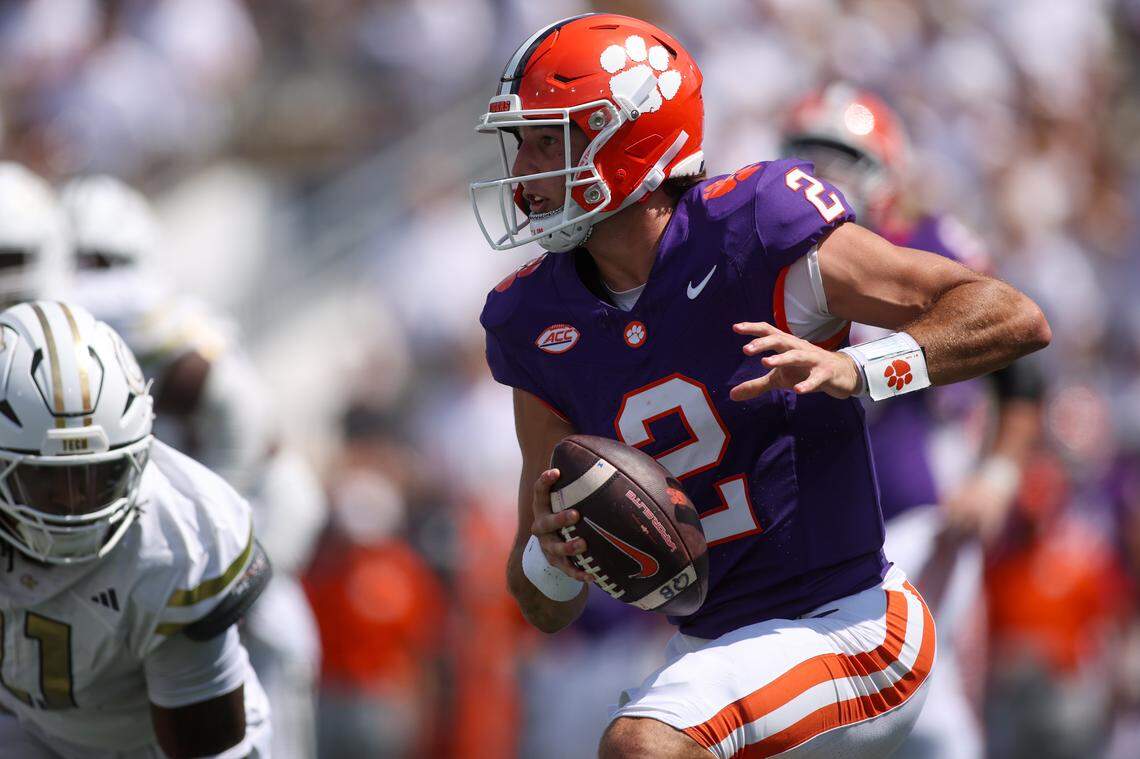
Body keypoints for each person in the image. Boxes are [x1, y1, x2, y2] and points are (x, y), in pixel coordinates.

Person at [470, 13, 1051, 759]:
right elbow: (543, 607)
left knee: (643, 745)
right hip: (711, 646)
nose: (525, 166)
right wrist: (553, 554)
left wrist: (861, 367)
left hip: (853, 623)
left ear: (627, 138)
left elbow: (1012, 316)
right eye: (523, 141)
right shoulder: (534, 320)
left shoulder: (753, 228)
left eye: (549, 139)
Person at [779, 82, 1047, 759]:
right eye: (806, 157)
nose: (819, 178)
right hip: (801, 535)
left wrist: (997, 474)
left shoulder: (925, 247)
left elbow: (1024, 364)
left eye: (838, 158)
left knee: (924, 711)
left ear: (885, 176)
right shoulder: (763, 259)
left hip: (915, 522)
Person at [60, 174, 325, 759]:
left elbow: (254, 453)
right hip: (114, 549)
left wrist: (203, 540)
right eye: (82, 260)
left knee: (268, 634)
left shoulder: (181, 339)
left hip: (220, 528)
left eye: (103, 261)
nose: (94, 277)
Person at [0, 301, 271, 758]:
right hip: (31, 729)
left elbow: (201, 743)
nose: (73, 502)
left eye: (97, 476)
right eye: (46, 479)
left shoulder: (178, 542)